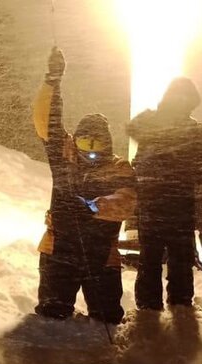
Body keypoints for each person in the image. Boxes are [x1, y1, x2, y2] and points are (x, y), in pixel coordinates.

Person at [32, 47, 137, 324]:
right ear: (75, 140)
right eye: (84, 143)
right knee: (52, 315)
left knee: (107, 319)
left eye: (96, 145)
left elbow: (126, 203)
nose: (90, 152)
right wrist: (52, 80)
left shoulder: (119, 168)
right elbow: (46, 121)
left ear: (107, 144)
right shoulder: (63, 156)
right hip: (59, 247)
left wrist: (93, 207)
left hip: (101, 253)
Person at [128, 77, 202, 311]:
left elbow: (136, 146)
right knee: (180, 257)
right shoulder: (193, 129)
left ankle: (148, 305)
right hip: (180, 204)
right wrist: (184, 174)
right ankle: (180, 303)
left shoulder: (151, 122)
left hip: (152, 204)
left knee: (150, 258)